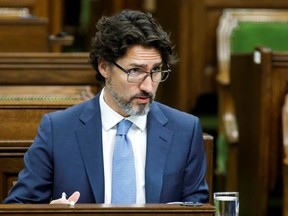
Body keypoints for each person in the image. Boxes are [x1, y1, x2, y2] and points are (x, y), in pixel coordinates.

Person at [3, 9, 209, 204]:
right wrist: (52, 215)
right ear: (104, 67)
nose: (148, 86)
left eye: (156, 71)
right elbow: (18, 207)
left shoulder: (185, 130)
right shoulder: (58, 130)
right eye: (135, 71)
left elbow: (197, 208)